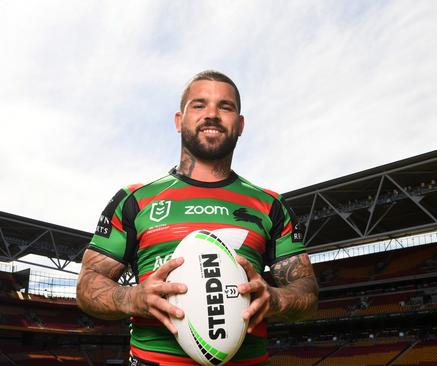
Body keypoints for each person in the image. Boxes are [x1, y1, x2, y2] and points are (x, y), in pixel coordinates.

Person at [76, 70, 318, 365]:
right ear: (179, 121)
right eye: (199, 105)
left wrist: (276, 299)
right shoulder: (134, 200)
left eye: (225, 107)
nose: (212, 115)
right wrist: (133, 298)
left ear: (240, 125)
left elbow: (306, 290)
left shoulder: (270, 204)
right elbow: (87, 285)